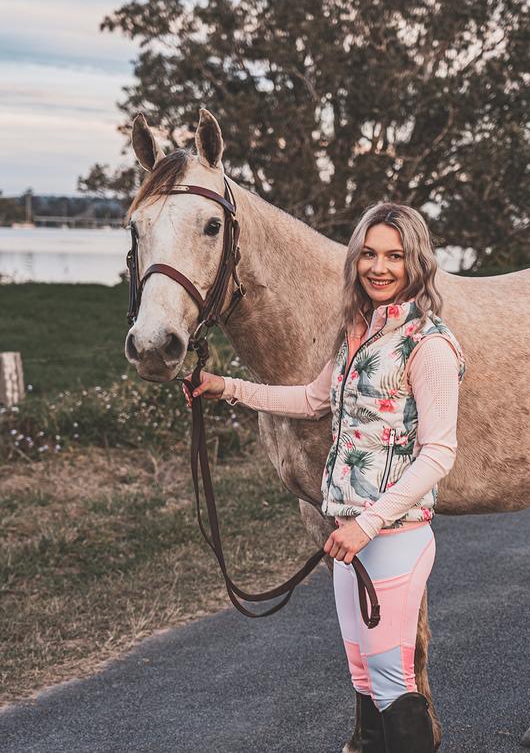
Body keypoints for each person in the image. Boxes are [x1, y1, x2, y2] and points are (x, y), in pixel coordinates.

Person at [183, 202, 465, 753]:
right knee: (365, 678)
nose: (378, 267)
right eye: (368, 253)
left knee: (392, 681)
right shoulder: (358, 333)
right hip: (352, 541)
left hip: (392, 537)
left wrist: (367, 523)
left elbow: (438, 454)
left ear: (417, 264)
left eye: (394, 255)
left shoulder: (429, 344)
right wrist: (226, 387)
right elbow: (314, 400)